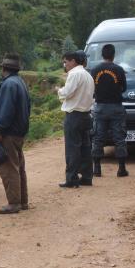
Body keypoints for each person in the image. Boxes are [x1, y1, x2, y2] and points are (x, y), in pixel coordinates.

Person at [0, 53, 31, 214]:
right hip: (19, 132)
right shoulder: (20, 83)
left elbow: (6, 111)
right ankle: (22, 201)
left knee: (9, 168)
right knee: (19, 166)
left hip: (9, 132)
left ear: (3, 68)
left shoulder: (8, 85)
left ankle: (14, 203)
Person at [57, 50, 95, 188]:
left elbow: (67, 92)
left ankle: (71, 178)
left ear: (73, 61)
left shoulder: (74, 74)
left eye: (66, 61)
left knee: (72, 148)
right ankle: (86, 177)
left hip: (74, 115)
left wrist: (59, 90)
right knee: (85, 147)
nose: (64, 64)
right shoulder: (87, 75)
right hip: (86, 114)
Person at [90, 43, 129, 178]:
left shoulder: (94, 70)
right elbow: (124, 88)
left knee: (98, 138)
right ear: (113, 55)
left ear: (102, 54)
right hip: (116, 107)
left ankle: (97, 168)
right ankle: (121, 169)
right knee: (119, 138)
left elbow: (91, 89)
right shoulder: (119, 70)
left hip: (99, 107)